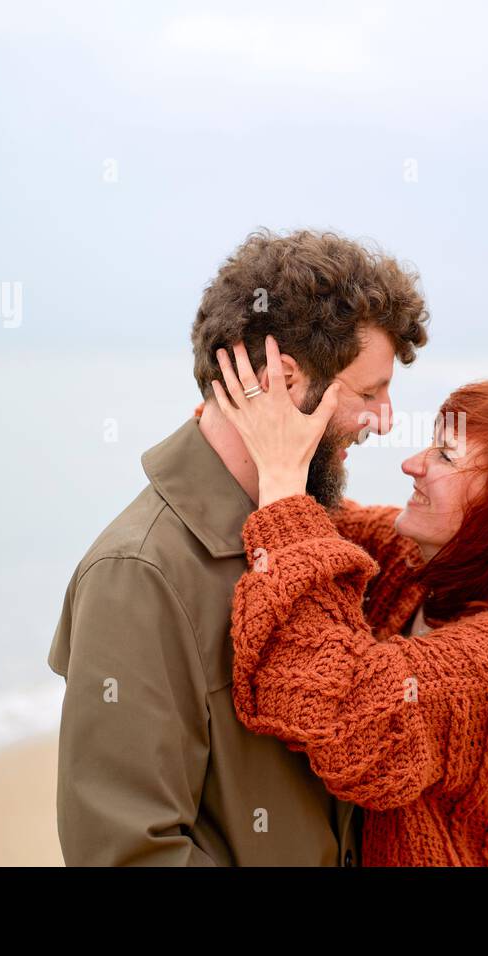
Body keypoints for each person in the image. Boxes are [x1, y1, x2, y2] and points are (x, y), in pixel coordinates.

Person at [47, 229, 429, 865]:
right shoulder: (139, 573)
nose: (385, 420)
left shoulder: (309, 526)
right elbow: (127, 853)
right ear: (279, 381)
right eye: (368, 394)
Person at [211, 335, 488, 865]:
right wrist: (251, 429)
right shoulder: (424, 565)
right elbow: (324, 524)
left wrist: (280, 480)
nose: (412, 464)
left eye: (444, 454)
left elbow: (343, 714)